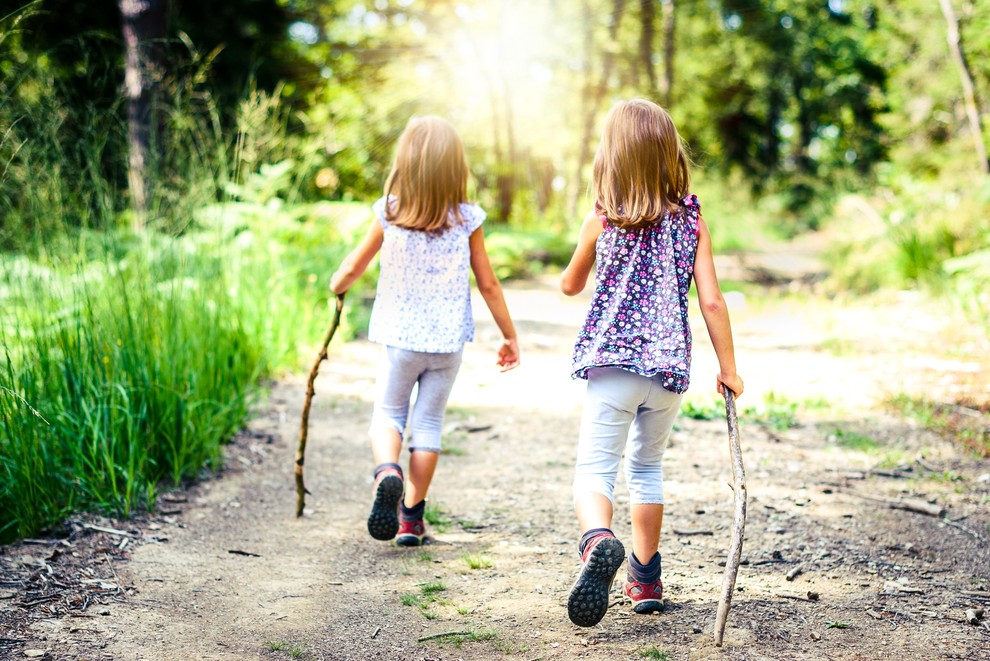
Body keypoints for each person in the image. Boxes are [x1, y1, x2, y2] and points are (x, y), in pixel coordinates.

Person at [559, 99, 744, 627]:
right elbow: (711, 301)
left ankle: (598, 539)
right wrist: (728, 369)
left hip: (613, 367)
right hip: (666, 372)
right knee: (646, 468)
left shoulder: (602, 217)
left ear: (611, 155)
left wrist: (584, 254)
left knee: (595, 469)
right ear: (669, 153)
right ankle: (645, 578)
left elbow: (570, 284)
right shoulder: (691, 220)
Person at [329, 116, 520, 547]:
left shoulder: (390, 211)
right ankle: (411, 519)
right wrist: (510, 335)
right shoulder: (467, 218)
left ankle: (387, 471)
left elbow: (353, 266)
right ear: (455, 168)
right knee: (428, 423)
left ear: (406, 163)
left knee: (389, 414)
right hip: (447, 344)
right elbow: (488, 282)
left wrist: (336, 286)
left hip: (401, 340)